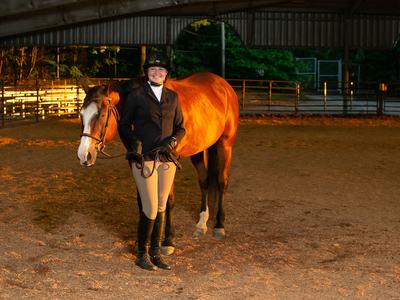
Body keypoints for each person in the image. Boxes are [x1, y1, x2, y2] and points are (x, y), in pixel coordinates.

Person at [119, 51, 185, 271]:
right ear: (147, 72)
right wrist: (134, 142)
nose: (157, 73)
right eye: (153, 69)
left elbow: (181, 127)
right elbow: (123, 125)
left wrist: (173, 141)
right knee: (150, 206)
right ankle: (141, 253)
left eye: (161, 70)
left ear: (166, 74)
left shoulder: (173, 97)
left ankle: (156, 253)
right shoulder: (137, 95)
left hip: (166, 157)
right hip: (143, 157)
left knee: (162, 204)